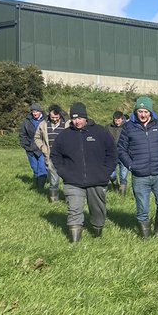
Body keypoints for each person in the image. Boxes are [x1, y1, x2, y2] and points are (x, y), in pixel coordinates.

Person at [116, 96, 158, 239]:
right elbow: (121, 149)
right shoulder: (129, 127)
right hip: (139, 176)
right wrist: (130, 165)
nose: (142, 114)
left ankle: (157, 232)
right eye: (140, 111)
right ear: (136, 111)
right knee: (142, 210)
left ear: (150, 112)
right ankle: (146, 240)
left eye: (145, 111)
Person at [49, 102, 116, 244]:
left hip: (97, 179)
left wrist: (105, 173)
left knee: (98, 210)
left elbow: (112, 153)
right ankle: (75, 243)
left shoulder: (100, 132)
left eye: (79, 118)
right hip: (73, 181)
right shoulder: (64, 136)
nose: (77, 121)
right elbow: (55, 155)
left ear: (85, 117)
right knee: (74, 210)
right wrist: (64, 172)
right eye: (74, 118)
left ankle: (97, 232)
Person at [33, 104, 67, 202]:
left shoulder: (67, 124)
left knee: (67, 180)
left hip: (66, 157)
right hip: (51, 156)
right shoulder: (43, 124)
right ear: (49, 115)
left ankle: (68, 199)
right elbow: (37, 137)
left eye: (57, 117)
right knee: (53, 180)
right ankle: (53, 201)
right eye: (52, 117)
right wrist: (43, 148)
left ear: (60, 115)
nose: (55, 119)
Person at [18, 102, 48, 188]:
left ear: (40, 112)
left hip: (43, 148)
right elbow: (22, 134)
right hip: (30, 148)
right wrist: (25, 145)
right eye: (33, 111)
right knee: (35, 168)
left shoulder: (46, 120)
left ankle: (40, 187)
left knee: (42, 168)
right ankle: (36, 184)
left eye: (36, 111)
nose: (35, 113)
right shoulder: (26, 121)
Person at [107, 110, 128, 194]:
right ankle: (115, 186)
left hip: (124, 155)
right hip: (112, 155)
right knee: (111, 175)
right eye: (115, 120)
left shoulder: (128, 127)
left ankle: (122, 194)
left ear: (122, 119)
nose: (117, 122)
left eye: (118, 120)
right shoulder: (108, 127)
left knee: (123, 176)